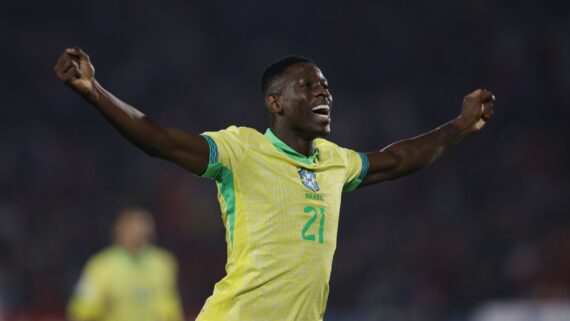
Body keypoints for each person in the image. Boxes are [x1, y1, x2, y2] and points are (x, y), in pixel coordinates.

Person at [55, 48, 495, 321]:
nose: (323, 94)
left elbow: (401, 158)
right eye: (307, 86)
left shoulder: (334, 162)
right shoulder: (241, 151)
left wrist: (459, 125)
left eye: (325, 87)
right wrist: (96, 92)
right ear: (275, 103)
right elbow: (160, 141)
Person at [67, 207, 184, 321]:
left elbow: (171, 309)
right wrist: (101, 306)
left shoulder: (163, 263)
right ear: (119, 229)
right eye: (132, 225)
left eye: (144, 224)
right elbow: (79, 311)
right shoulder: (101, 265)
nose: (140, 230)